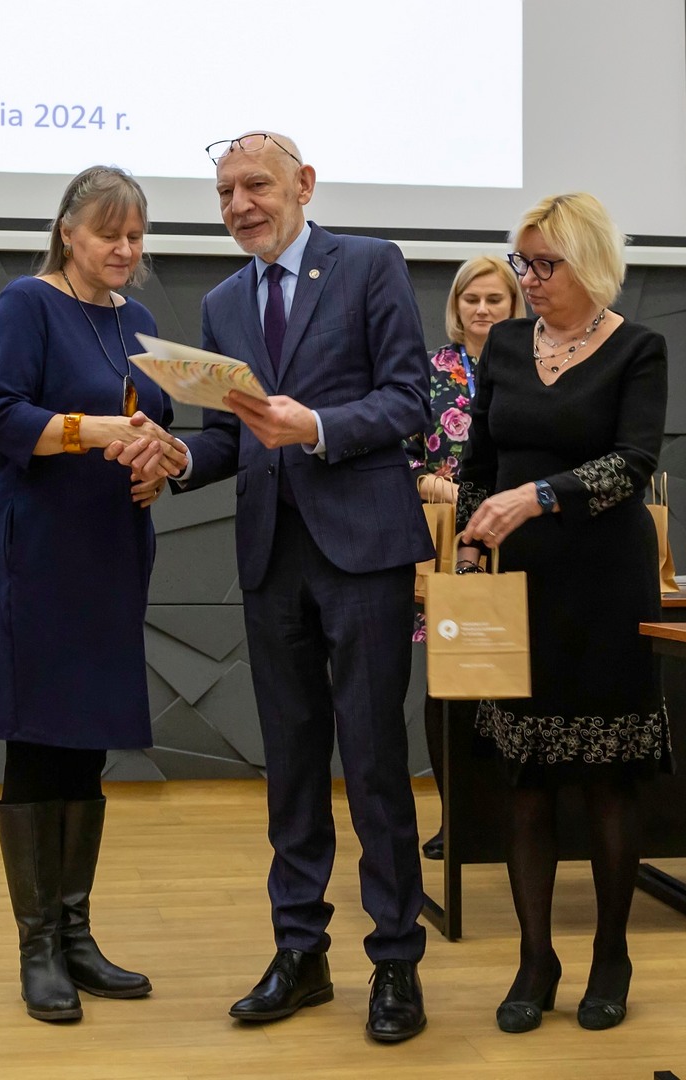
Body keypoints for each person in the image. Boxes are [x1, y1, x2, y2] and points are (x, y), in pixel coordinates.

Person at [133, 130, 434, 1042]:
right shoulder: (222, 302)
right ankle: (300, 952)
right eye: (224, 193)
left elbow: (409, 400)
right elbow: (233, 438)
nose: (239, 206)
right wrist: (180, 457)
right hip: (271, 557)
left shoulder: (370, 264)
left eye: (255, 185)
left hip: (364, 552)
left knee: (374, 762)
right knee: (292, 766)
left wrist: (318, 427)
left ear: (303, 183)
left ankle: (396, 961)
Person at [0, 165, 185, 1024]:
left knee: (88, 742)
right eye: (109, 235)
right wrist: (94, 432)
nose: (126, 250)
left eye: (136, 236)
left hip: (111, 548)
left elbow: (157, 421)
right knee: (38, 741)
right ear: (68, 232)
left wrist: (158, 467)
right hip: (38, 550)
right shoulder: (25, 304)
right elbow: (1, 416)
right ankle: (38, 949)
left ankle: (76, 935)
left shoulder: (140, 321)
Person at [454, 192, 670, 1036]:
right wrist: (471, 542)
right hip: (521, 588)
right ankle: (535, 958)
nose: (530, 279)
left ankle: (611, 955)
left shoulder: (638, 349)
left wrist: (538, 496)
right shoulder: (507, 345)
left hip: (606, 589)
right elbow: (480, 461)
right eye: (525, 263)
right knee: (528, 781)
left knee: (609, 781)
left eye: (545, 264)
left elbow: (634, 463)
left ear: (589, 265)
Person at [405, 254, 525, 861]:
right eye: (470, 299)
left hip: (525, 540)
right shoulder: (426, 373)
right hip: (453, 548)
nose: (481, 310)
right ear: (455, 306)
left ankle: (517, 819)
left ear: (514, 305)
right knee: (451, 687)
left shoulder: (536, 364)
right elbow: (398, 459)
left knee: (515, 681)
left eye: (494, 300)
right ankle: (458, 818)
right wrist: (445, 488)